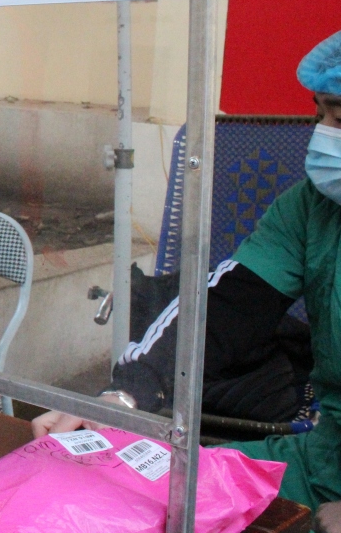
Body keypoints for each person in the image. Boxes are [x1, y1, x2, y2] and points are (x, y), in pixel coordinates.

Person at [30, 30, 341, 527]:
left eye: (339, 116)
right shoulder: (312, 209)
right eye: (320, 112)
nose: (323, 133)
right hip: (326, 457)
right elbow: (225, 307)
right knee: (143, 493)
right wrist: (125, 398)